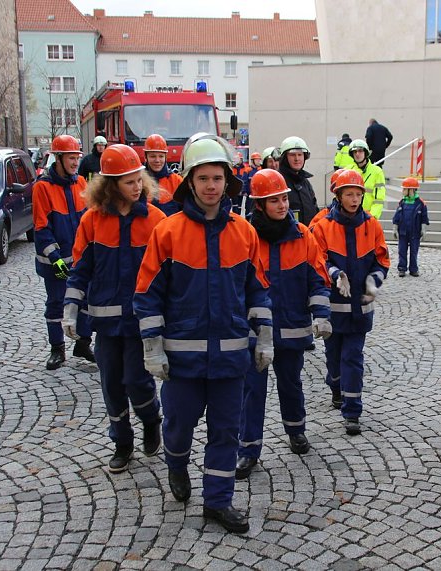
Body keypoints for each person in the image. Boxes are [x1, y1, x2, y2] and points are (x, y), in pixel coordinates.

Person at [134, 134, 273, 534]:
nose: (211, 186)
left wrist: (264, 336)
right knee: (177, 426)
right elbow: (146, 295)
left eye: (218, 178)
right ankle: (176, 465)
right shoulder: (169, 232)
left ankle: (217, 501)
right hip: (181, 361)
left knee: (226, 430)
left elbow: (257, 289)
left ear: (228, 181)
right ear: (189, 182)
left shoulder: (244, 232)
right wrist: (152, 347)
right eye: (203, 178)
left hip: (231, 359)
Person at [62, 144, 165, 473]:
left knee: (137, 380)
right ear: (110, 186)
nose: (137, 187)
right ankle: (122, 442)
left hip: (139, 322)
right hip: (105, 323)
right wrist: (70, 308)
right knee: (111, 385)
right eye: (129, 182)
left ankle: (151, 419)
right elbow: (81, 269)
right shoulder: (92, 221)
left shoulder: (155, 220)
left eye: (139, 180)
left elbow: (167, 273)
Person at [235, 169, 332, 480]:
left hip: (291, 327)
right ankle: (248, 449)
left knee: (291, 384)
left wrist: (321, 314)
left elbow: (317, 279)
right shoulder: (245, 236)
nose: (281, 205)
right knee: (252, 390)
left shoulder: (304, 235)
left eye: (283, 198)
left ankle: (296, 431)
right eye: (273, 200)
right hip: (254, 331)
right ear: (259, 205)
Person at [311, 169, 390, 435]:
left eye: (358, 194)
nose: (355, 199)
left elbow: (382, 259)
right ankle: (336, 387)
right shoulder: (323, 227)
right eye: (349, 194)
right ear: (338, 196)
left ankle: (352, 411)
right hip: (334, 309)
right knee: (334, 358)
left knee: (353, 358)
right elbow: (319, 259)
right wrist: (335, 274)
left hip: (360, 311)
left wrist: (374, 281)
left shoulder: (372, 225)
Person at [32, 134, 96, 370]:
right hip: (55, 262)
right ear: (57, 158)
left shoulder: (80, 183)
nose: (74, 163)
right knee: (57, 303)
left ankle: (83, 343)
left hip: (80, 259)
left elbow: (89, 220)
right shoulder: (43, 187)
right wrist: (55, 259)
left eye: (76, 157)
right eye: (70, 158)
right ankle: (57, 349)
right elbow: (41, 227)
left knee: (87, 300)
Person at [392, 177, 430, 277]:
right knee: (402, 251)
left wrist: (423, 229)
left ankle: (413, 269)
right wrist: (395, 228)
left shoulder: (421, 204)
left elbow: (424, 218)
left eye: (404, 189)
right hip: (403, 231)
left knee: (414, 252)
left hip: (415, 232)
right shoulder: (402, 202)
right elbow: (397, 216)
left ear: (411, 190)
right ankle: (402, 268)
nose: (402, 191)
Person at [278, 136, 319, 224]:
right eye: (293, 155)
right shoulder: (277, 181)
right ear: (285, 158)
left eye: (300, 155)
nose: (297, 159)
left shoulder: (305, 183)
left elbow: (315, 209)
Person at [143, 134, 183, 216]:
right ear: (146, 157)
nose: (157, 160)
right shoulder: (139, 181)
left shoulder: (177, 181)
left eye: (161, 156)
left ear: (166, 157)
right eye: (153, 156)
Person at [348, 139, 387, 219]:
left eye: (360, 151)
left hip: (367, 218)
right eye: (355, 152)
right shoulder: (348, 171)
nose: (357, 154)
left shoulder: (377, 172)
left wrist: (372, 218)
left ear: (365, 153)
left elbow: (379, 199)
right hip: (350, 217)